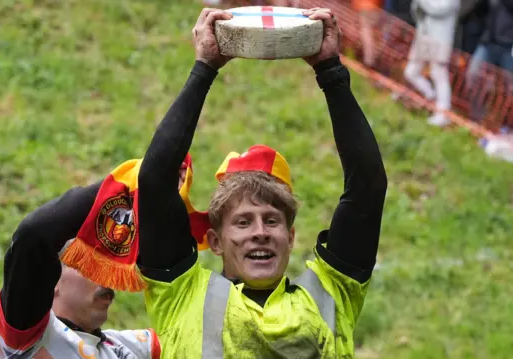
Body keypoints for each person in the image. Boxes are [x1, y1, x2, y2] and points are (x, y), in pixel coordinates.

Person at [135, 7, 387, 359]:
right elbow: (155, 180)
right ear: (215, 241)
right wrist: (204, 68)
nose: (261, 232)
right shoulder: (182, 293)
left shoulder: (331, 294)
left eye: (272, 220)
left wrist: (330, 71)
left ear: (291, 237)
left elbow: (368, 188)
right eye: (243, 222)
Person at [0, 173, 177, 357]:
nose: (104, 275)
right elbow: (34, 238)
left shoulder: (129, 346)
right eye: (88, 262)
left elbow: (189, 334)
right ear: (51, 283)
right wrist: (125, 187)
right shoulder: (24, 342)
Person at [403, 0, 461, 127]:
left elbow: (437, 10)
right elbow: (416, 10)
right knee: (411, 72)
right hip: (424, 34)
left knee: (439, 74)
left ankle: (443, 114)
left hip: (441, 38)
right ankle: (431, 96)